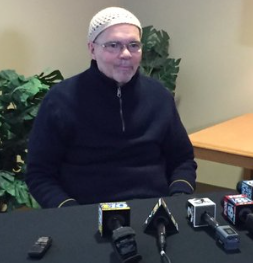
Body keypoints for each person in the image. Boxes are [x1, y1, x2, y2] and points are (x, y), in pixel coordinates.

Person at [25, 7, 197, 208]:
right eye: (113, 45)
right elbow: (39, 174)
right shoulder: (60, 100)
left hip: (154, 210)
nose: (125, 54)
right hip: (85, 213)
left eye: (133, 45)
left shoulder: (159, 96)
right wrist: (71, 213)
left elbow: (182, 159)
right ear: (92, 49)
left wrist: (178, 199)